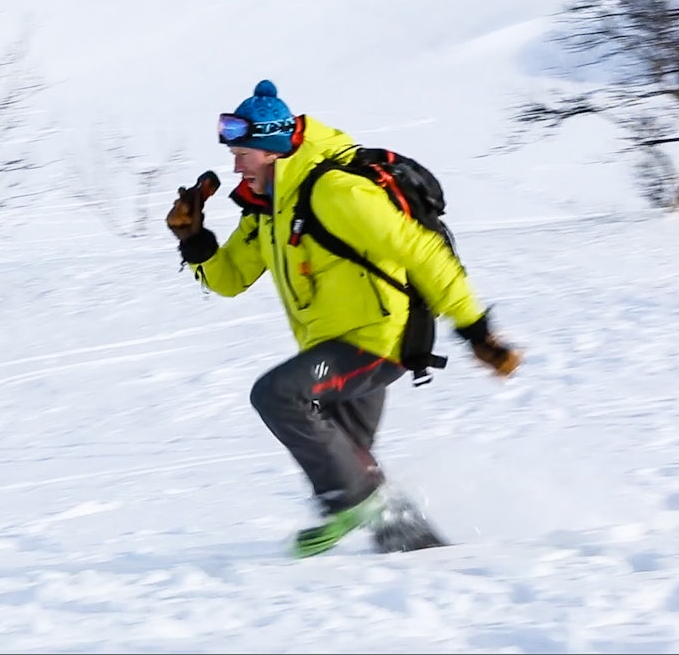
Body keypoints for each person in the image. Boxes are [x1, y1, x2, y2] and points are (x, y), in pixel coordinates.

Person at [166, 79, 522, 557]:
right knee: (352, 463)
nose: (236, 167)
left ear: (272, 150)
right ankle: (421, 553)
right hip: (331, 347)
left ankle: (352, 505)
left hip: (375, 341)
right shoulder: (268, 209)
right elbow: (230, 279)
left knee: (278, 396)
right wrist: (193, 239)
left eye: (243, 155)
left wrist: (476, 329)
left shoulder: (337, 192)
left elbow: (422, 253)